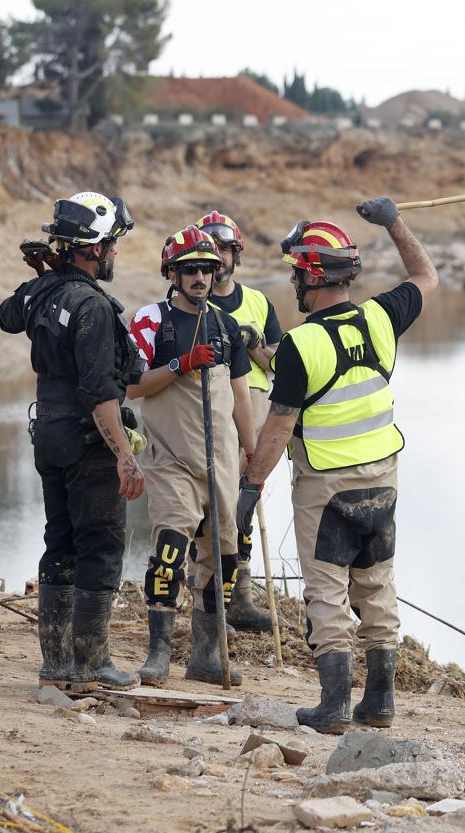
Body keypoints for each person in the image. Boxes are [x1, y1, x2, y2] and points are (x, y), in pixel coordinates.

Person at [236, 198, 439, 733]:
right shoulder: (380, 318)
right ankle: (380, 702)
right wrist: (394, 221)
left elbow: (278, 427)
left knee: (326, 589)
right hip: (382, 480)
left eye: (297, 275)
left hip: (326, 486)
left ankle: (332, 708)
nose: (294, 287)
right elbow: (425, 274)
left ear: (312, 276)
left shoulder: (303, 344)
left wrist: (250, 487)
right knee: (376, 583)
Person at [0, 192, 143, 693]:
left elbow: (5, 315)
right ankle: (91, 663)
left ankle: (55, 664)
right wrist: (125, 456)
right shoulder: (92, 307)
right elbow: (100, 394)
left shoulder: (45, 293)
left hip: (49, 436)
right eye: (113, 245)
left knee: (59, 543)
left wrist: (45, 273)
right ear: (93, 249)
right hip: (86, 439)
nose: (115, 255)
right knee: (99, 546)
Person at [128, 225, 257, 687]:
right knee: (168, 554)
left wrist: (254, 454)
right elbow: (130, 384)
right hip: (171, 460)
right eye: (190, 270)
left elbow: (240, 395)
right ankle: (158, 654)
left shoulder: (225, 325)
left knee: (220, 560)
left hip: (221, 462)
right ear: (172, 273)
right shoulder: (151, 321)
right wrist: (180, 364)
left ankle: (205, 656)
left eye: (208, 268)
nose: (201, 277)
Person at [196, 210, 281, 633]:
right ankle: (211, 602)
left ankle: (242, 598)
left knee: (246, 504)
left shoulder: (259, 302)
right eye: (212, 249)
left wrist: (255, 345)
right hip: (210, 406)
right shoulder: (192, 300)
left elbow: (280, 361)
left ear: (236, 254)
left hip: (257, 406)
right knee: (214, 504)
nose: (220, 257)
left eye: (226, 249)